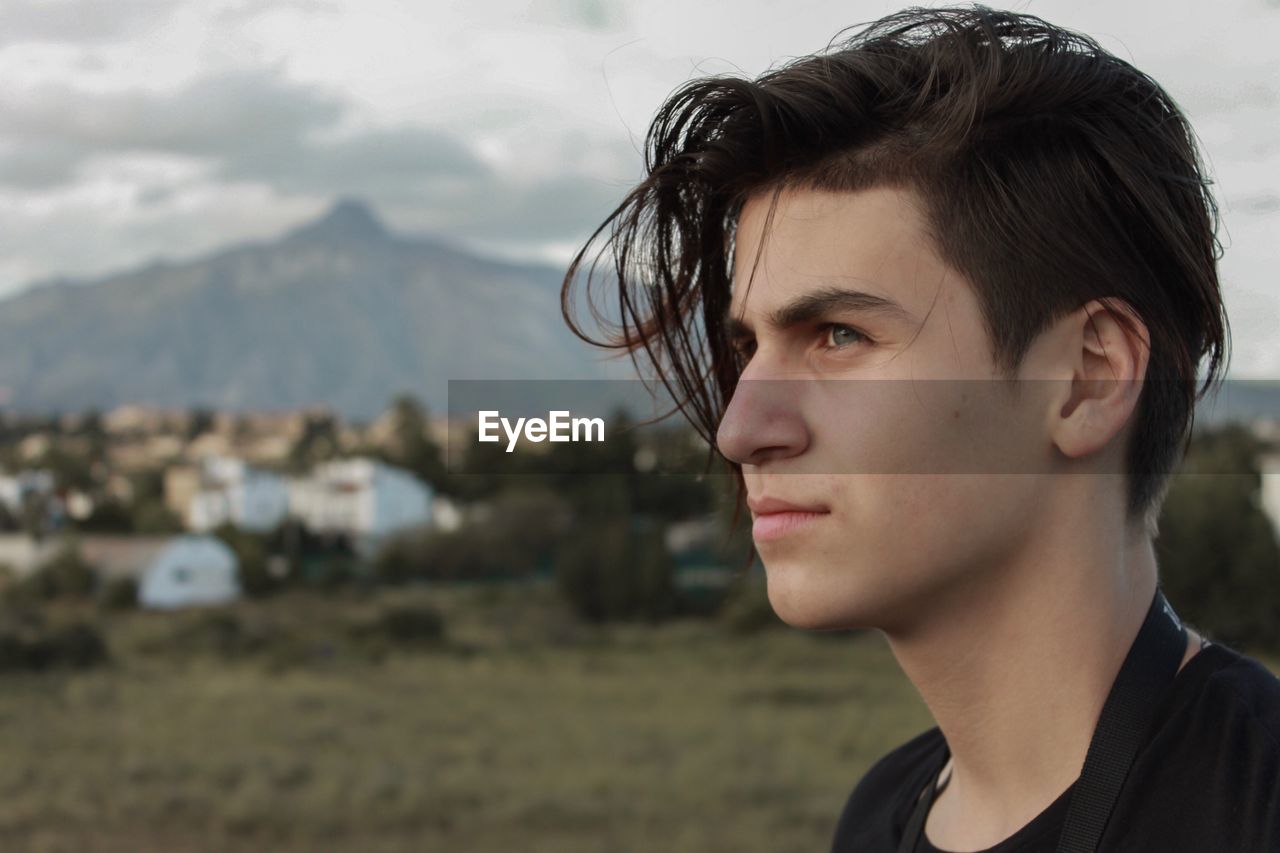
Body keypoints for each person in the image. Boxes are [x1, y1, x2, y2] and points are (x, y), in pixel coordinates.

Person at [561, 4, 1280, 851]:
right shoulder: (881, 814)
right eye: (749, 346)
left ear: (1089, 377)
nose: (739, 428)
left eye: (838, 334)